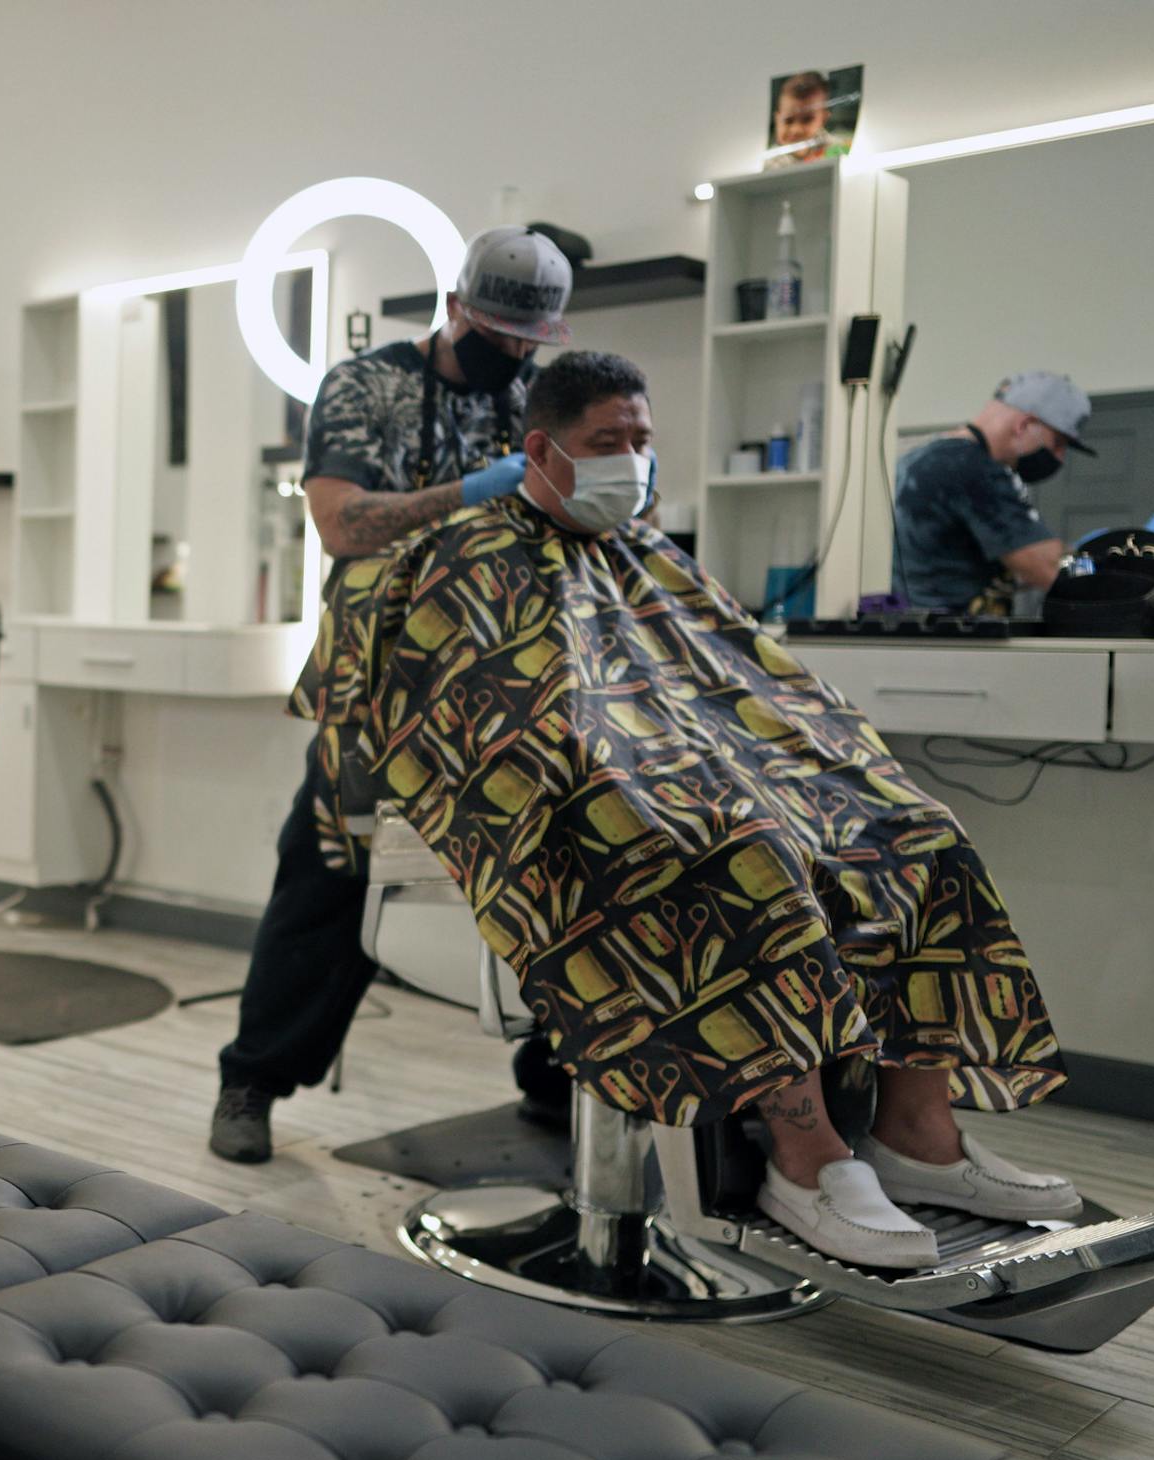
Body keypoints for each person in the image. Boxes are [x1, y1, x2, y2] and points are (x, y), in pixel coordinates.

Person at [354, 349, 1079, 1269]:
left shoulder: (650, 554)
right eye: (605, 440)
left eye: (642, 439)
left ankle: (916, 1134)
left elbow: (745, 686)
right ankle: (805, 1156)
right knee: (746, 847)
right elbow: (486, 726)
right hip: (579, 809)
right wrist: (656, 774)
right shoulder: (462, 555)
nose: (632, 457)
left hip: (689, 782)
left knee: (915, 833)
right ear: (540, 449)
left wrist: (767, 767)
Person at [210, 226, 574, 1164]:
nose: (518, 357)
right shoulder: (365, 386)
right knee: (330, 868)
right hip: (385, 676)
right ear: (456, 309)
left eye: (534, 341)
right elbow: (341, 526)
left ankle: (563, 1076)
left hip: (516, 677)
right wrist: (472, 491)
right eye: (502, 336)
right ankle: (252, 1078)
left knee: (566, 863)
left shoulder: (539, 396)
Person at [893, 372, 1095, 613]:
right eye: (1058, 443)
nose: (1060, 457)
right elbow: (1047, 567)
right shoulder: (974, 469)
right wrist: (1094, 567)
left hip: (909, 628)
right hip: (952, 635)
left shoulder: (919, 458)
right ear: (1024, 425)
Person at [768, 70, 833, 166]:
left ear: (823, 119)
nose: (796, 130)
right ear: (777, 119)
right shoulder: (770, 161)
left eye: (807, 120)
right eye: (788, 120)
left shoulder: (834, 147)